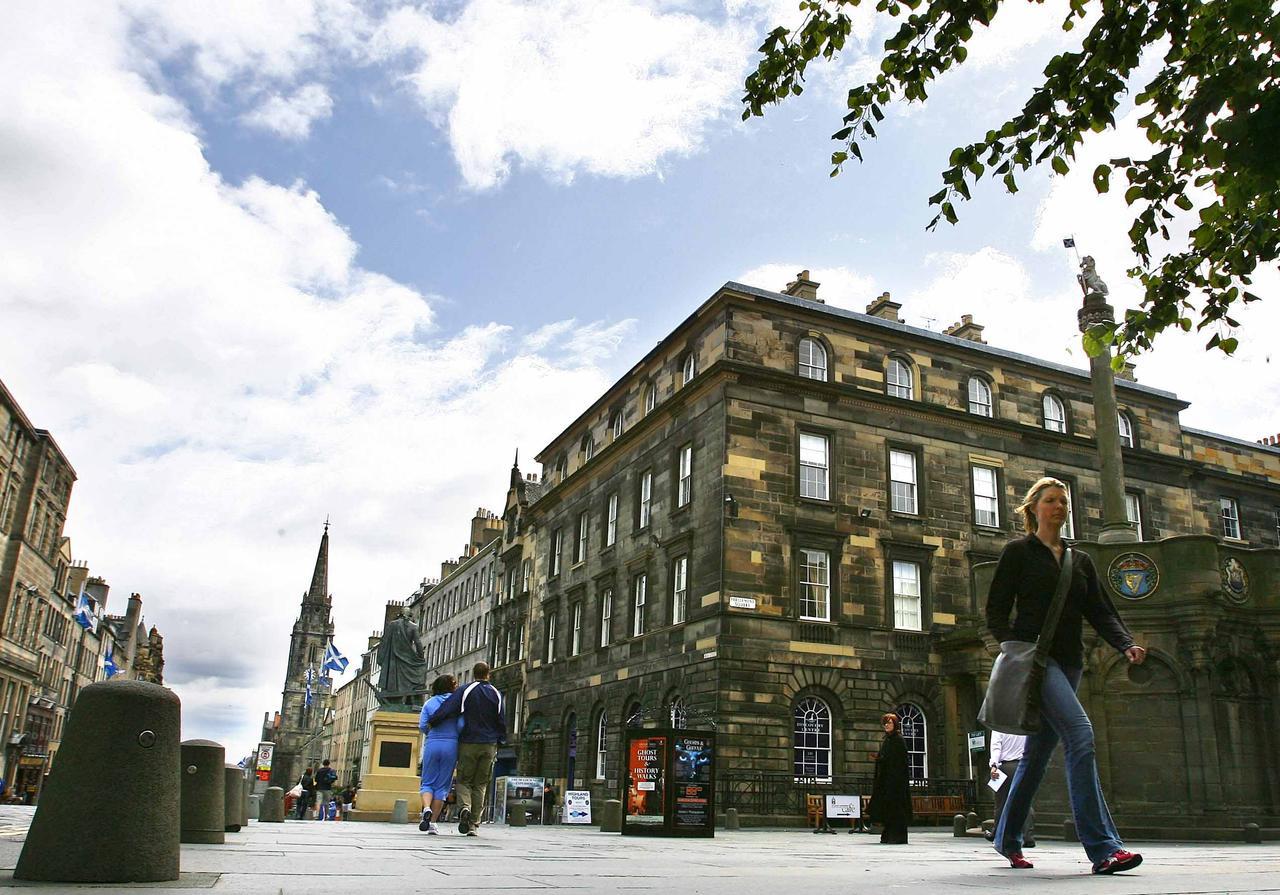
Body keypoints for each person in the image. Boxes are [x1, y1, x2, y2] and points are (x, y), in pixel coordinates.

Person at [986, 477, 1148, 874]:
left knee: (1036, 757)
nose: (1059, 506)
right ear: (1034, 508)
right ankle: (1103, 848)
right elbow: (995, 610)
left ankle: (1007, 839)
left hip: (1070, 662)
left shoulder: (1081, 562)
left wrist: (1124, 643)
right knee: (1080, 735)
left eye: (1064, 501)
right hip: (1035, 663)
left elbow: (1101, 611)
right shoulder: (1018, 553)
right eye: (1051, 500)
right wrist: (1013, 648)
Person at [429, 661, 506, 837]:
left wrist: (433, 720)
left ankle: (464, 808)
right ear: (489, 674)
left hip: (468, 742)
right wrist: (501, 740)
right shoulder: (496, 693)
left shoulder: (465, 690)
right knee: (481, 784)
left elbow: (448, 708)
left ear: (473, 673)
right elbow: (501, 719)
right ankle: (473, 825)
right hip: (489, 744)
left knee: (464, 780)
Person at [418, 674, 463, 834]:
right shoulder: (457, 704)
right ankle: (433, 822)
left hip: (433, 742)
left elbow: (422, 725)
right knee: (442, 786)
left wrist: (432, 732)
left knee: (427, 782)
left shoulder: (429, 703)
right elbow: (461, 725)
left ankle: (427, 808)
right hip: (451, 744)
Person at [867, 712, 912, 844]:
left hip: (896, 783)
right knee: (888, 810)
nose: (886, 725)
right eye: (885, 723)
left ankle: (897, 837)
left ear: (895, 724)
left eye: (889, 723)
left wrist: (883, 760)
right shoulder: (887, 740)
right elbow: (887, 758)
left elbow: (899, 762)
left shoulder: (898, 740)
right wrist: (880, 759)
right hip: (887, 782)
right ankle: (888, 835)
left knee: (896, 810)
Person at [983, 732, 1035, 846]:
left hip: (1005, 767)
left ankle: (996, 833)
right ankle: (1028, 836)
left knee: (1001, 802)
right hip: (1023, 765)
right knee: (1025, 801)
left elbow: (996, 747)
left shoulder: (998, 727)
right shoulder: (1022, 724)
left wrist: (994, 766)